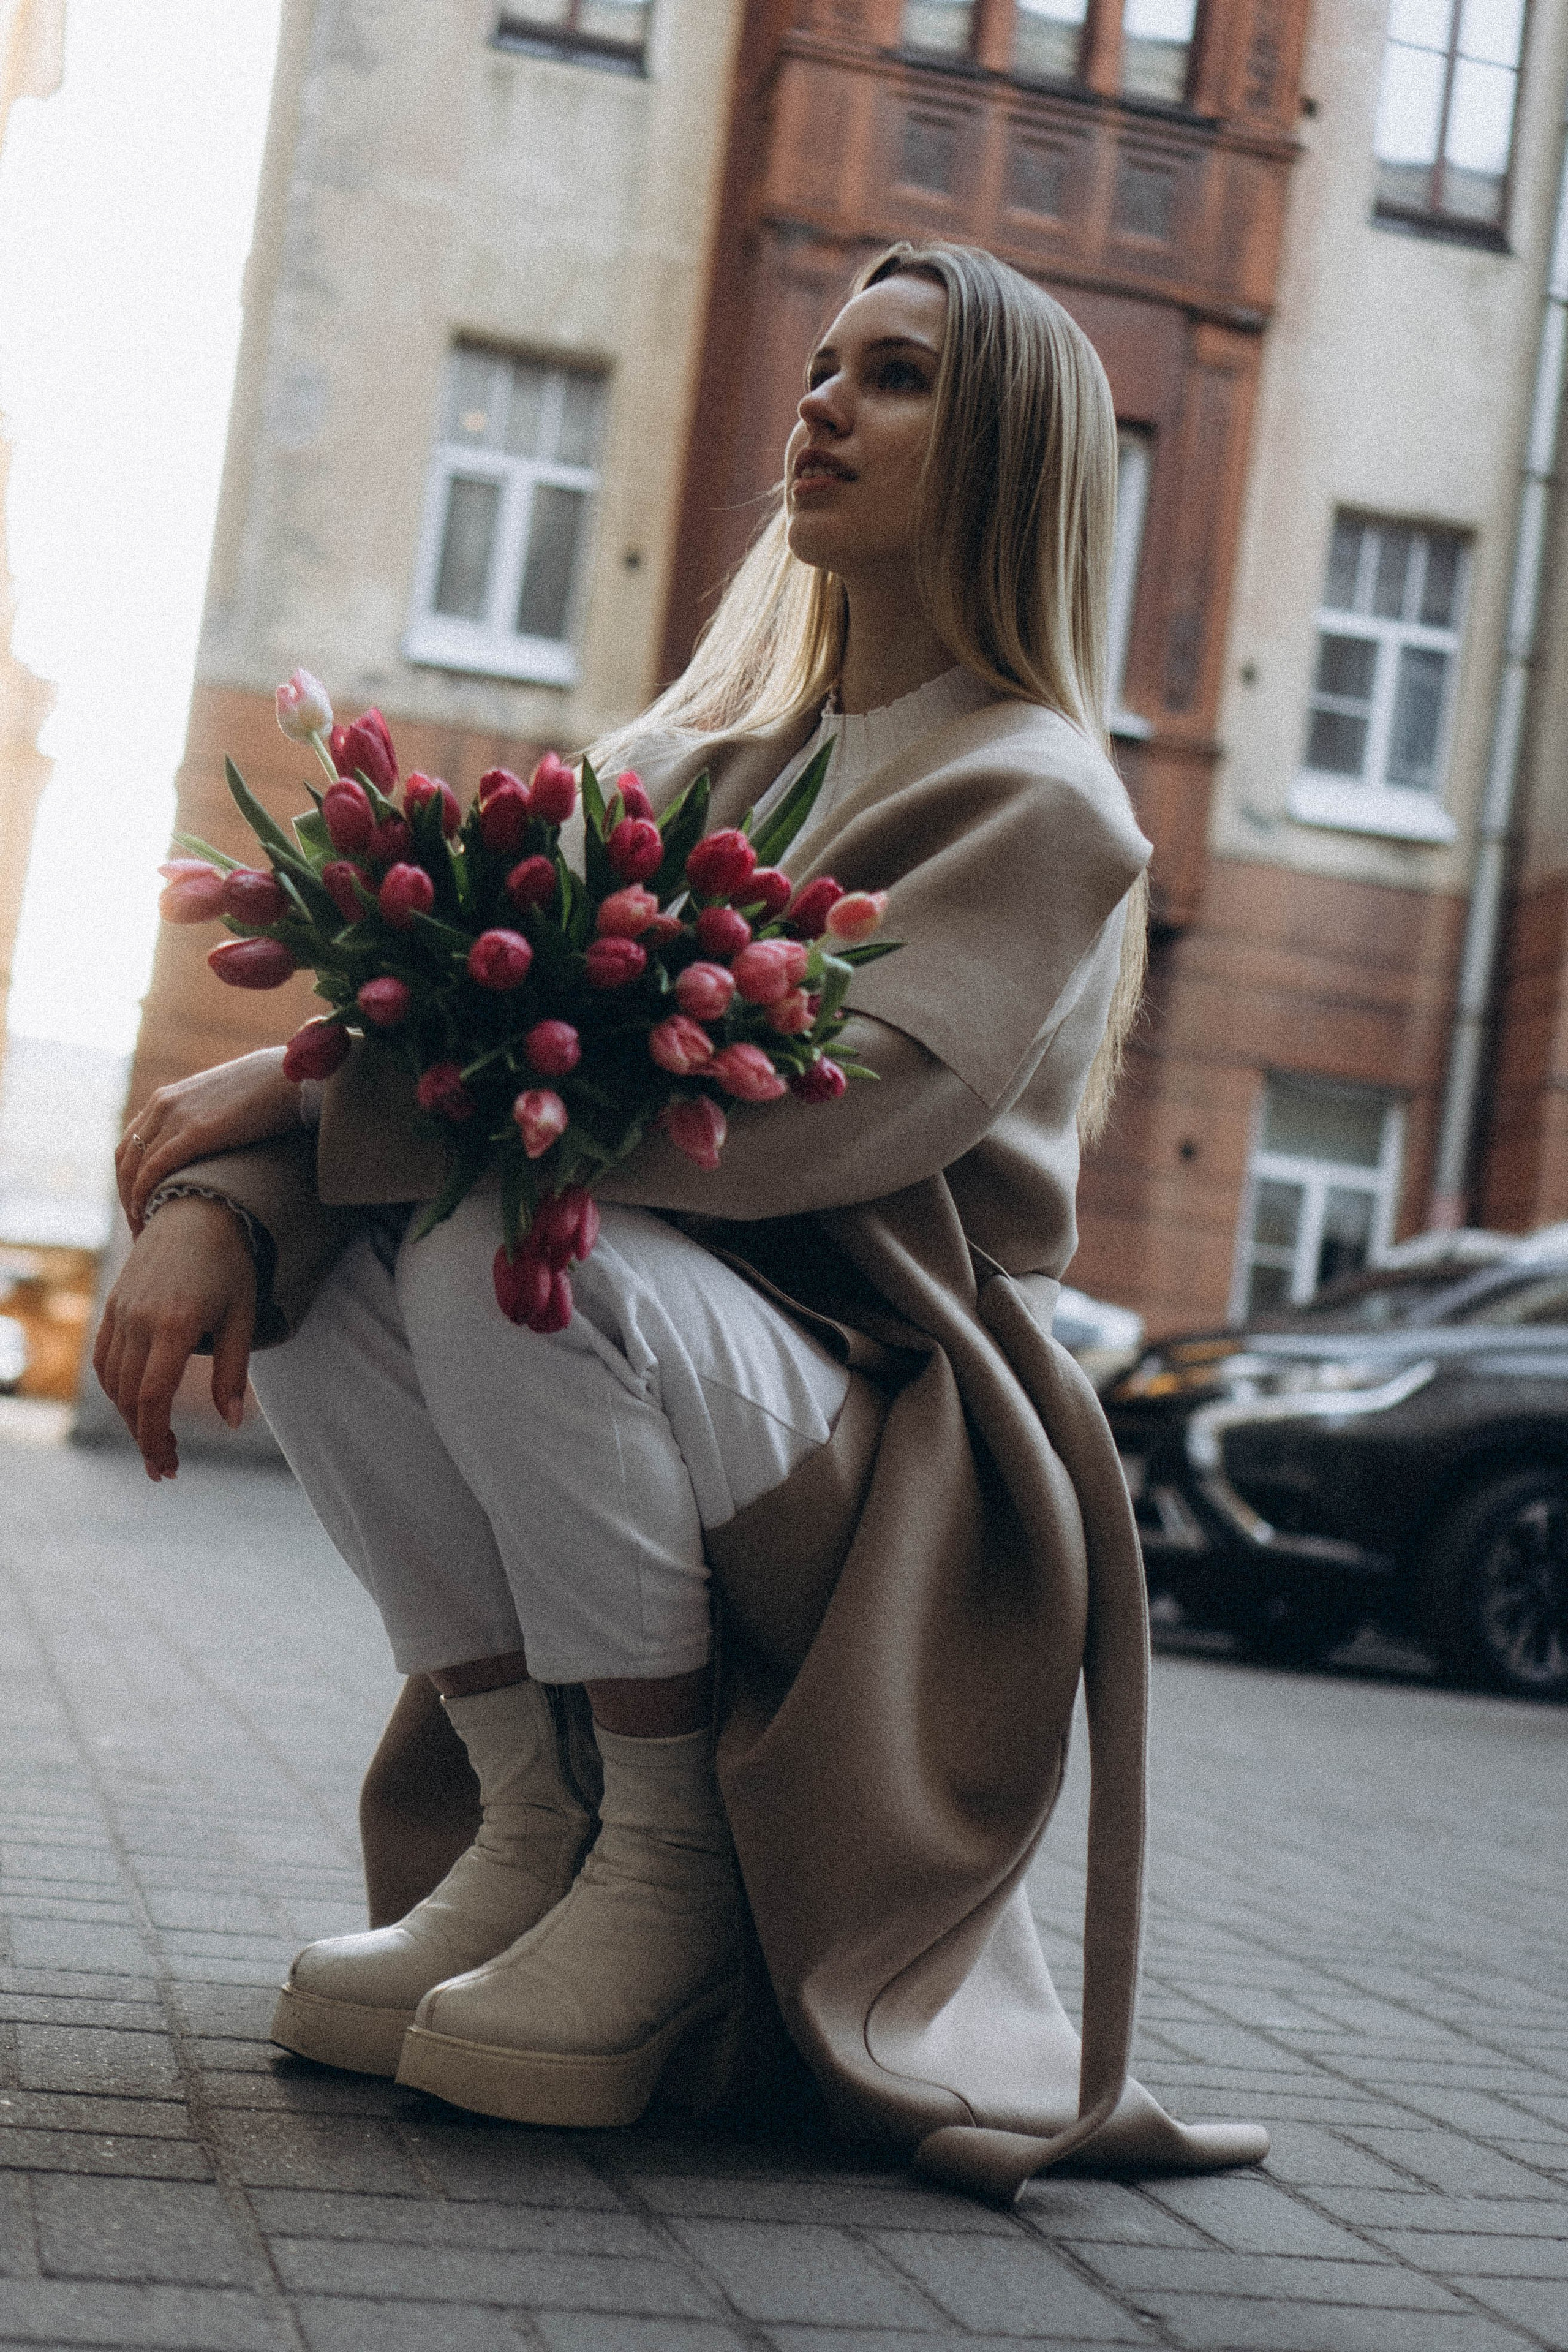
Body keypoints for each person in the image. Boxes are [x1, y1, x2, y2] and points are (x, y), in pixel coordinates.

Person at [94, 240, 1268, 2202]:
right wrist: (226, 1199)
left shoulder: (1044, 798)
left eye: (891, 379)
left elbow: (790, 1119)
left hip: (896, 1436)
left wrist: (278, 1086)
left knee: (498, 1235)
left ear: (1007, 456)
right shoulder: (694, 763)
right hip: (683, 1353)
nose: (818, 407)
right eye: (822, 366)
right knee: (334, 1273)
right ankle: (535, 1827)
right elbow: (459, 1012)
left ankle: (667, 1871)